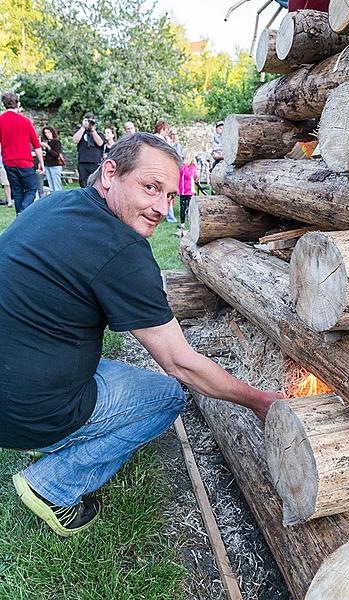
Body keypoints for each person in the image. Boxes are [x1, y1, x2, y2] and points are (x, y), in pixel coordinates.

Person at [0, 132, 282, 537]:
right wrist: (257, 400)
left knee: (102, 368)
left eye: (169, 195)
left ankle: (41, 432)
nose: (160, 208)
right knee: (166, 396)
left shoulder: (61, 204)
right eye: (150, 188)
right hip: (25, 409)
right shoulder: (123, 250)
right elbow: (180, 363)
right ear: (111, 173)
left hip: (12, 381)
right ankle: (55, 484)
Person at [0, 92, 44, 214]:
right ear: (18, 104)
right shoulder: (25, 121)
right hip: (24, 161)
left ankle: (19, 217)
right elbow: (36, 145)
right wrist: (41, 163)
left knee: (17, 190)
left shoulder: (0, 120)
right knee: (31, 189)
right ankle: (23, 210)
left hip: (8, 162)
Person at [72, 112, 105, 188]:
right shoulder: (80, 131)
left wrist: (92, 130)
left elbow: (100, 143)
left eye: (91, 121)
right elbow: (75, 140)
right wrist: (83, 127)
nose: (89, 123)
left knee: (95, 183)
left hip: (95, 162)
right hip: (82, 162)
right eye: (87, 120)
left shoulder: (99, 133)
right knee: (83, 183)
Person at [153, 120, 176, 222]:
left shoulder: (152, 138)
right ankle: (169, 216)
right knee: (166, 193)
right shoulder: (161, 140)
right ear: (163, 129)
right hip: (161, 169)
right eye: (166, 130)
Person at [176, 148, 197, 235]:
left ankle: (191, 223)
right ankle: (182, 224)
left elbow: (189, 176)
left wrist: (185, 166)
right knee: (182, 208)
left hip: (189, 191)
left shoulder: (192, 167)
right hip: (182, 191)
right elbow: (179, 176)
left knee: (189, 208)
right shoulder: (182, 166)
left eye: (185, 157)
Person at [41, 126, 63, 192]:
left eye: (49, 132)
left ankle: (59, 198)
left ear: (52, 132)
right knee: (51, 185)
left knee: (56, 185)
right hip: (48, 165)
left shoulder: (56, 141)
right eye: (45, 133)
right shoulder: (48, 142)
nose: (47, 134)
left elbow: (56, 154)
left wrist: (48, 147)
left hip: (55, 165)